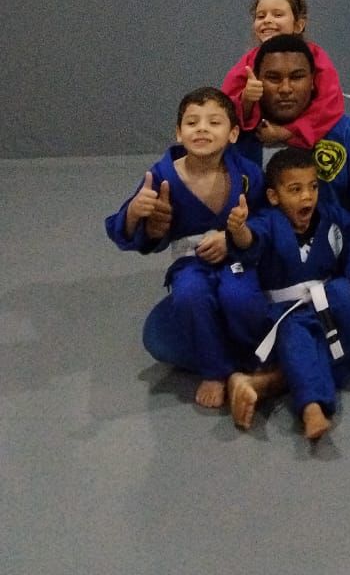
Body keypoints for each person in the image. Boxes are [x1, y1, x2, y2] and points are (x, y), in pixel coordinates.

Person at [223, 34, 350, 426]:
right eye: (273, 78)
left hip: (333, 278)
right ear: (255, 81)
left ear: (314, 81)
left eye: (296, 77)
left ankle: (277, 377)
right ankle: (327, 351)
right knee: (164, 331)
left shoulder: (340, 130)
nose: (285, 88)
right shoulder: (231, 134)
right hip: (261, 282)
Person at [226, 149, 350, 439]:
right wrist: (239, 231)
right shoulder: (267, 221)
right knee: (297, 344)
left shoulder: (330, 214)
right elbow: (252, 240)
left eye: (313, 187)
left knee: (346, 293)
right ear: (274, 196)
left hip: (327, 296)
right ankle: (311, 407)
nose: (307, 197)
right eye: (295, 190)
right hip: (289, 310)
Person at [104, 87, 264, 407]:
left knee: (240, 298)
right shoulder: (161, 176)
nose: (202, 129)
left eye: (214, 122)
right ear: (179, 132)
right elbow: (126, 229)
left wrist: (233, 237)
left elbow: (267, 220)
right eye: (192, 122)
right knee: (190, 295)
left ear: (233, 134)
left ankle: (256, 359)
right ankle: (215, 371)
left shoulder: (247, 174)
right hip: (190, 262)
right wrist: (135, 212)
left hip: (236, 257)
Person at [221, 0, 344, 150]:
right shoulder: (247, 62)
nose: (267, 20)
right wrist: (246, 99)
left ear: (298, 25)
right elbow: (224, 108)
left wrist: (287, 131)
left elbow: (329, 103)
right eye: (260, 16)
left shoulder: (316, 58)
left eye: (278, 15)